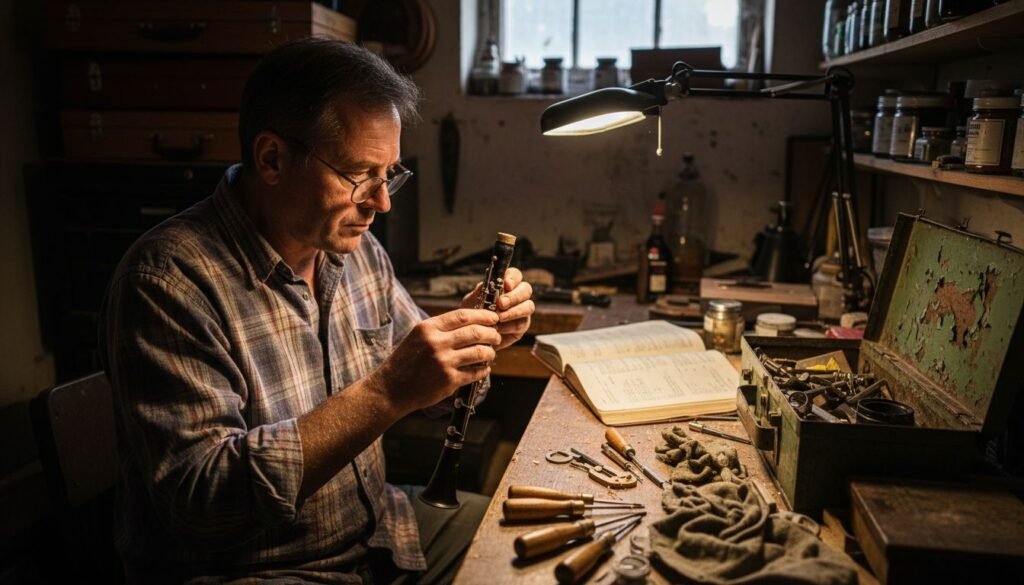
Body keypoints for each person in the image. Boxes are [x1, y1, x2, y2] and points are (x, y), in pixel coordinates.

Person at [100, 38, 534, 584]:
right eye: (359, 175)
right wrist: (386, 391)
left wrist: (469, 342)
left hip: (378, 531)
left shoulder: (355, 251)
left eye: (391, 174)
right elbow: (201, 504)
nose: (382, 203)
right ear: (272, 159)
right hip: (261, 569)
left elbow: (431, 398)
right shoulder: (168, 282)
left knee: (536, 548)